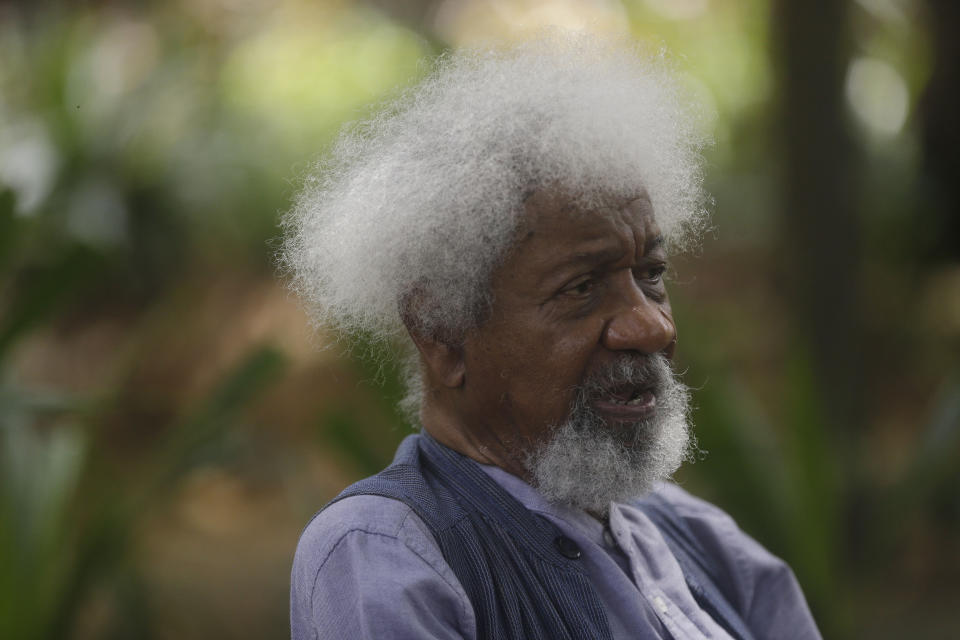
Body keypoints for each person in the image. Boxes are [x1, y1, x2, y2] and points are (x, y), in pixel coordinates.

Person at [282, 32, 822, 640]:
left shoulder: (699, 537)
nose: (653, 326)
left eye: (652, 275)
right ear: (443, 334)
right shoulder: (386, 553)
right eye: (581, 288)